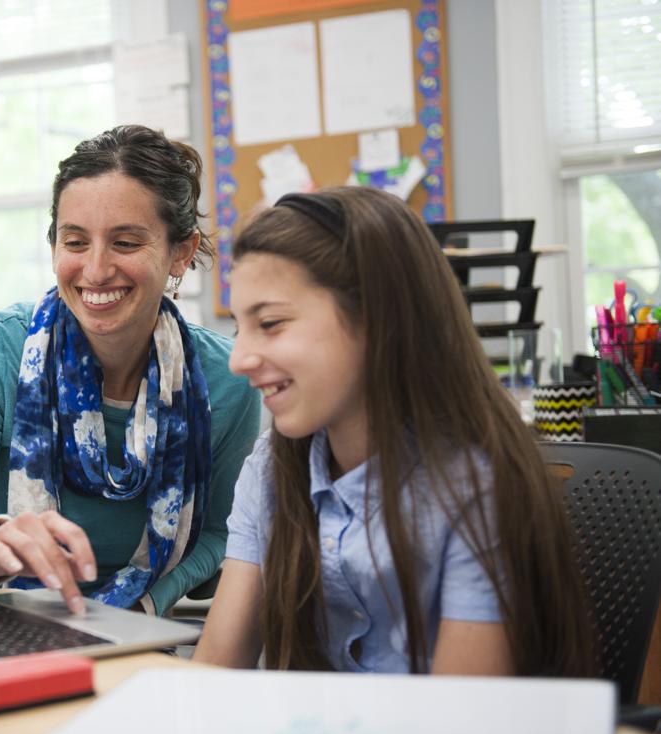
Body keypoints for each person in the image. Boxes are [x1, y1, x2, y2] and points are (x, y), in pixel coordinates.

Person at [194, 187, 596, 676]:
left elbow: (460, 723)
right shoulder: (272, 470)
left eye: (271, 323)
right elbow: (213, 674)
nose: (239, 360)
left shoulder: (479, 488)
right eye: (240, 328)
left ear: (375, 317)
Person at [0, 125, 261, 617]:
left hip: (143, 624)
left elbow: (224, 532)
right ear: (54, 245)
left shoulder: (229, 379)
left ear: (180, 251)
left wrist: (144, 604)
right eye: (75, 242)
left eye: (126, 243)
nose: (95, 270)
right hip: (3, 615)